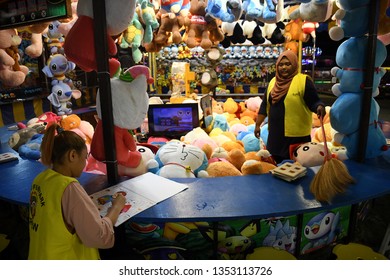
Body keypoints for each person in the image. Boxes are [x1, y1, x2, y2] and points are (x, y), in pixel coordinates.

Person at [28, 123, 126, 260]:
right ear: (73, 155)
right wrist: (116, 207)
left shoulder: (40, 179)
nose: (85, 162)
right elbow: (100, 236)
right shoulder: (69, 187)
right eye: (85, 157)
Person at [254, 50, 326, 163]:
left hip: (296, 137)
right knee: (275, 163)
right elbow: (264, 106)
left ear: (294, 65)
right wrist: (258, 125)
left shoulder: (303, 81)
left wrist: (319, 107)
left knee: (297, 166)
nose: (284, 67)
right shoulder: (273, 82)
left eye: (288, 64)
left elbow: (314, 101)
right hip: (276, 135)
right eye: (281, 64)